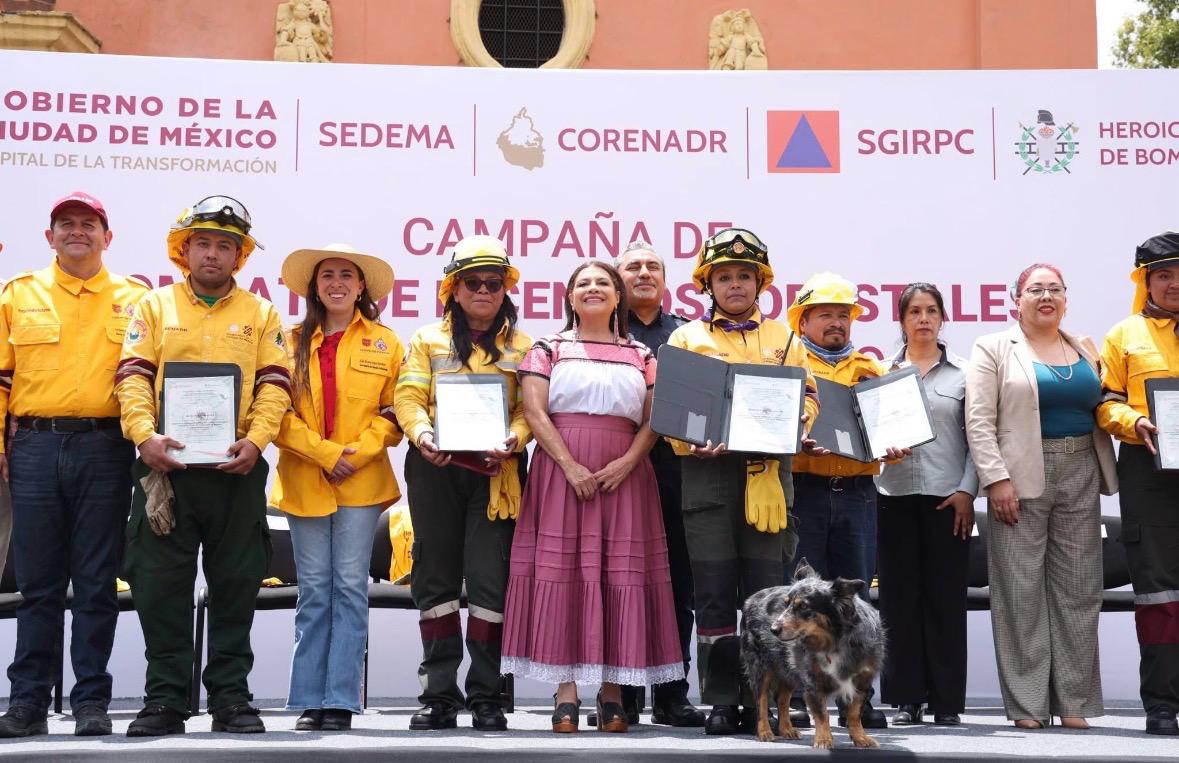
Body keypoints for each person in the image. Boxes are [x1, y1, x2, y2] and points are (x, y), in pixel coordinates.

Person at [116, 195, 292, 736]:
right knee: (159, 585)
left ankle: (231, 701)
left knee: (237, 584)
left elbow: (275, 385)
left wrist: (258, 441)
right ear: (184, 248)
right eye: (203, 243)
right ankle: (165, 700)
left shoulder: (261, 313)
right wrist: (144, 437)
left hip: (235, 470)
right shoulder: (153, 306)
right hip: (164, 471)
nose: (213, 253)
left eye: (225, 245)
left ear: (238, 256)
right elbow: (133, 377)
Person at [501, 261, 683, 734]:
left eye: (604, 282)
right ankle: (564, 694)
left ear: (619, 296)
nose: (595, 289)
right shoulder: (547, 348)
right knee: (564, 576)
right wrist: (569, 465)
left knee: (615, 576)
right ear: (570, 296)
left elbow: (654, 418)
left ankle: (612, 694)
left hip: (625, 477)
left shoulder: (643, 353)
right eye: (585, 283)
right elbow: (535, 413)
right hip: (561, 474)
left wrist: (627, 462)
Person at [0, 192, 148, 738]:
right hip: (34, 446)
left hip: (105, 447)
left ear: (108, 238)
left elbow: (146, 376)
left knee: (95, 583)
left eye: (89, 224)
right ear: (49, 236)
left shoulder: (136, 297)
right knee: (37, 584)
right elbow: (0, 377)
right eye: (66, 224)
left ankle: (91, 703)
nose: (77, 232)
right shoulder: (19, 293)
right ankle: (27, 703)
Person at [665, 228, 819, 735]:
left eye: (744, 276)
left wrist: (801, 424)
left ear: (762, 283)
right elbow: (673, 413)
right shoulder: (687, 338)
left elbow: (810, 397)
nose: (735, 285)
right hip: (707, 478)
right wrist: (692, 441)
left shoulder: (787, 339)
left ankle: (773, 700)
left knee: (771, 598)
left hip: (771, 479)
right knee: (711, 594)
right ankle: (722, 700)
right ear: (708, 285)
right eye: (724, 277)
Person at [965, 263, 1116, 730]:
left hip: (1082, 470)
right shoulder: (993, 348)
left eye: (1054, 289)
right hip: (1020, 477)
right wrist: (996, 480)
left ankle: (1074, 703)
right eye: (1035, 289)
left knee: (1078, 589)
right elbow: (978, 420)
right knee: (1020, 592)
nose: (1045, 296)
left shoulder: (1084, 348)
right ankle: (1029, 706)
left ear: (1066, 298)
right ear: (1017, 299)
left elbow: (1104, 405)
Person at [394, 236, 532, 732]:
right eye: (472, 282)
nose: (483, 290)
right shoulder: (426, 339)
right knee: (436, 580)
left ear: (505, 291)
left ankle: (487, 696)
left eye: (494, 283)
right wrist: (421, 432)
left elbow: (527, 410)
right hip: (436, 468)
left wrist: (515, 439)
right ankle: (438, 696)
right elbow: (408, 395)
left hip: (498, 475)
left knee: (491, 582)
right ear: (453, 289)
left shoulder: (524, 346)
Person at [270, 243, 402, 732]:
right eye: (328, 275)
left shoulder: (386, 342)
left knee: (349, 589)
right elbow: (273, 413)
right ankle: (308, 698)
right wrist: (327, 454)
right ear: (314, 286)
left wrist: (358, 453)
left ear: (362, 285)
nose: (337, 283)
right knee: (314, 592)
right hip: (306, 478)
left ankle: (341, 699)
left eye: (347, 275)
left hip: (362, 482)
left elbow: (395, 412)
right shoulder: (285, 340)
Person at [786, 270, 905, 730]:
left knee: (856, 603)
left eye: (843, 315)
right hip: (805, 494)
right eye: (825, 315)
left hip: (857, 496)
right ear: (803, 320)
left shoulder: (872, 371)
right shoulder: (791, 368)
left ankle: (858, 699)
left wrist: (897, 445)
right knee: (801, 602)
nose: (836, 323)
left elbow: (895, 433)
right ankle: (798, 697)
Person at [603, 239, 704, 728]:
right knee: (622, 583)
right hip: (618, 473)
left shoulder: (687, 335)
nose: (643, 273)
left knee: (677, 584)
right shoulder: (598, 331)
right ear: (616, 278)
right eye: (632, 267)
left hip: (678, 473)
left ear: (666, 279)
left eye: (653, 267)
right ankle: (621, 691)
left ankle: (672, 690)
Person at [875, 283, 977, 727]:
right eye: (914, 311)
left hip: (947, 499)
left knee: (945, 599)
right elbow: (866, 438)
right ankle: (905, 698)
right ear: (901, 320)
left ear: (942, 319)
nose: (923, 318)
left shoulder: (967, 375)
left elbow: (981, 439)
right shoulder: (879, 372)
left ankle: (947, 701)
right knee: (898, 601)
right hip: (891, 497)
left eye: (931, 310)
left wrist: (968, 491)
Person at [1097, 232, 1179, 736]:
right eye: (1163, 275)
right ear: (1145, 281)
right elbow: (1106, 402)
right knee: (1157, 592)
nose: (1173, 284)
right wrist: (1134, 423)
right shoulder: (1124, 334)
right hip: (1147, 469)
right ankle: (1163, 704)